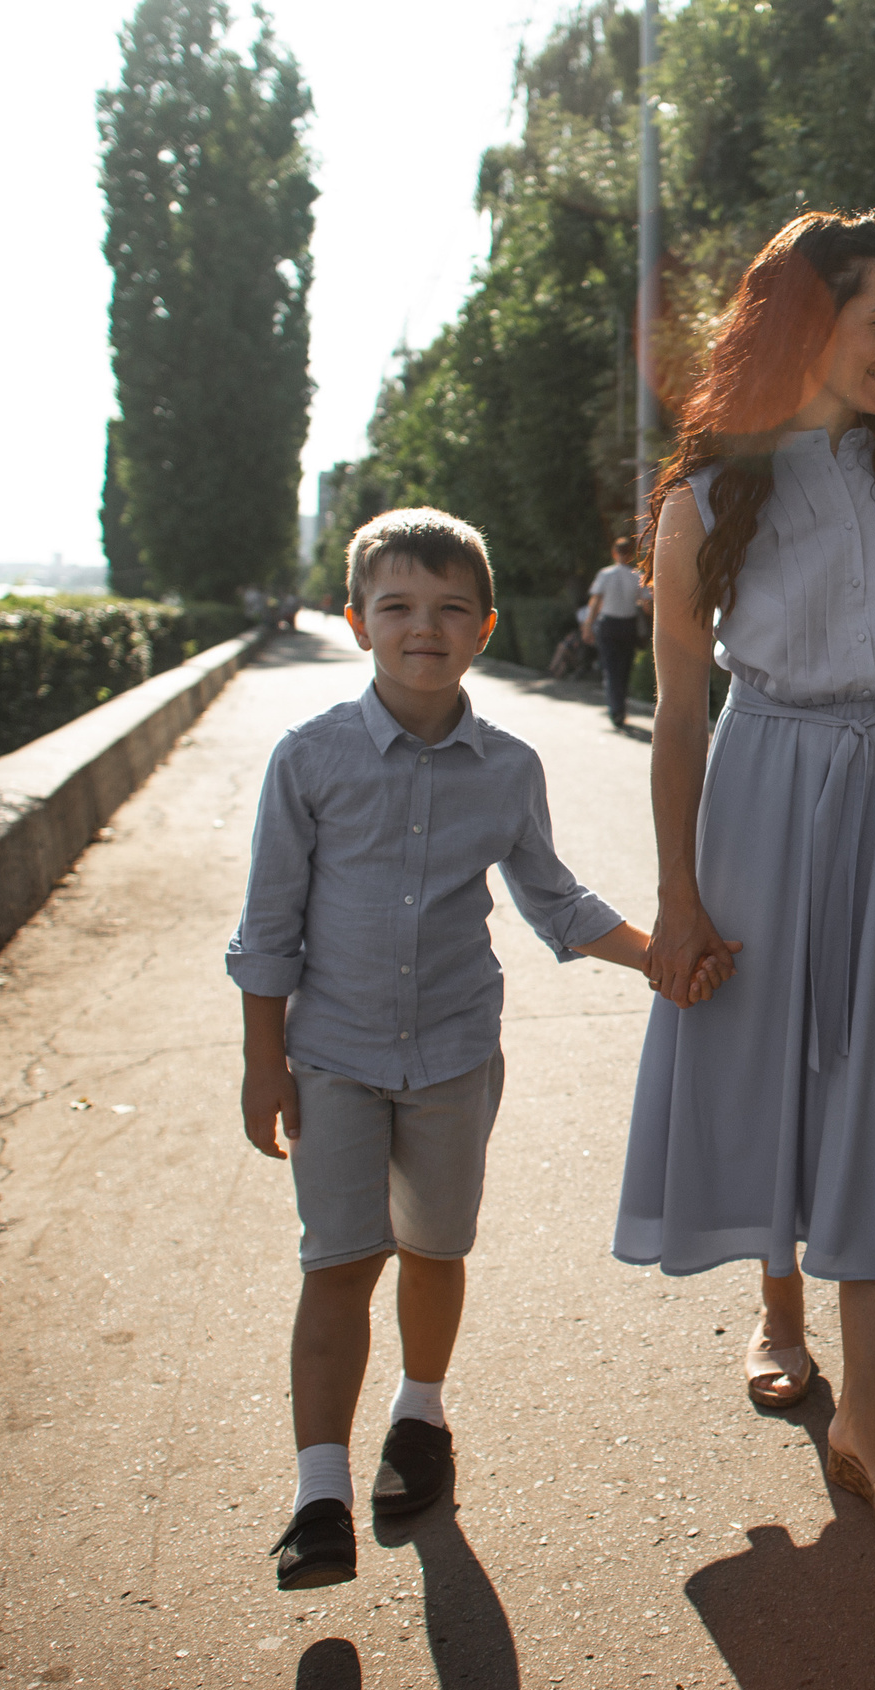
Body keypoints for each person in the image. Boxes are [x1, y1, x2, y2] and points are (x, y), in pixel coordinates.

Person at [614, 210, 875, 1546]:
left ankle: (867, 1411)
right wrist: (678, 897)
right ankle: (778, 1304)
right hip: (763, 781)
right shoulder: (701, 501)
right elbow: (681, 715)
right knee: (771, 1054)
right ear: (809, 319)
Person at [230, 508, 670, 1592]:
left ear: (482, 629)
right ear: (356, 623)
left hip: (454, 1058)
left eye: (448, 610)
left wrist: (664, 958)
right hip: (328, 1058)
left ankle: (420, 1417)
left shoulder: (509, 768)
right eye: (397, 608)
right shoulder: (310, 760)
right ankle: (318, 1496)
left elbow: (553, 900)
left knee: (434, 1250)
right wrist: (262, 1059)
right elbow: (267, 924)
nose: (422, 627)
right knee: (338, 1264)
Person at [583, 535, 652, 729]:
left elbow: (595, 602)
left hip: (609, 625)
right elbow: (647, 606)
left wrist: (588, 625)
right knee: (624, 668)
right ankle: (620, 707)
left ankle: (616, 709)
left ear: (615, 553)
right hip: (628, 625)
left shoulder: (605, 574)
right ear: (630, 555)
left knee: (610, 668)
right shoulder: (637, 576)